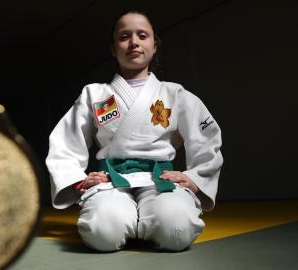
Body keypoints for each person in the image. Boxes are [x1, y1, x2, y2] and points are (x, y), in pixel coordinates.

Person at [46, 10, 223, 252]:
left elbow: (207, 140)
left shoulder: (175, 94)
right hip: (112, 181)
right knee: (102, 232)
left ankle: (145, 221)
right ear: (113, 48)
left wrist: (194, 178)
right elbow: (64, 142)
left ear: (154, 45)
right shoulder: (95, 94)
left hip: (160, 180)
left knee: (177, 230)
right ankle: (130, 222)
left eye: (142, 35)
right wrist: (78, 181)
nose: (134, 42)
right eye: (124, 36)